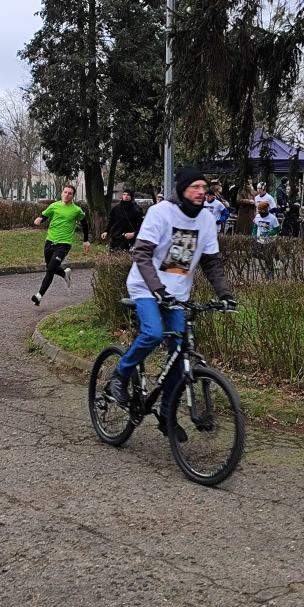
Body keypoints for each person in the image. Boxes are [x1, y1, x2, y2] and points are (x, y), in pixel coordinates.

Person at [106, 166, 237, 440]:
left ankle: (166, 416)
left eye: (204, 187)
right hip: (145, 286)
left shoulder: (205, 219)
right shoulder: (160, 212)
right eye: (196, 187)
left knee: (180, 354)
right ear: (182, 189)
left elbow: (211, 261)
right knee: (153, 333)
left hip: (178, 295)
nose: (202, 192)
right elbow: (142, 254)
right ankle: (120, 374)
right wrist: (157, 289)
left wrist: (224, 294)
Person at [32, 184, 90, 305]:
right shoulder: (54, 206)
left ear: (73, 196)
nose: (67, 195)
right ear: (61, 193)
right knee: (50, 268)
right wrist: (39, 219)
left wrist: (86, 240)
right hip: (50, 241)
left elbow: (84, 224)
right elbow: (44, 215)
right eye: (65, 192)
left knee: (51, 268)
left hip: (64, 244)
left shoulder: (76, 210)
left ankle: (39, 295)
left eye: (69, 193)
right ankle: (64, 273)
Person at [101, 187, 143, 251]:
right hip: (116, 237)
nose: (125, 196)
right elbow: (111, 220)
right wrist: (106, 231)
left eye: (128, 195)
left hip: (129, 238)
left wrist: (134, 233)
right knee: (113, 256)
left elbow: (141, 225)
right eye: (124, 194)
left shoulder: (137, 209)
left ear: (131, 196)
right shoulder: (116, 207)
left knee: (125, 257)